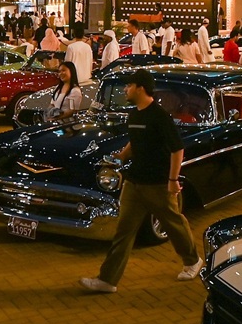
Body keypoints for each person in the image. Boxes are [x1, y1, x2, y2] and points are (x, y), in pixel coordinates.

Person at [78, 73, 203, 293]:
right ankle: (107, 280)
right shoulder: (134, 115)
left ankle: (192, 261)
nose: (125, 89)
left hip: (157, 184)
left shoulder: (159, 116)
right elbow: (134, 142)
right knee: (123, 231)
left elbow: (177, 149)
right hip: (134, 181)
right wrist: (121, 156)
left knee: (173, 223)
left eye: (129, 85)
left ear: (141, 88)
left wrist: (172, 180)